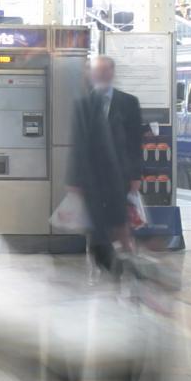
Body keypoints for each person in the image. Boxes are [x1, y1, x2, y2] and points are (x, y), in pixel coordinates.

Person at [67, 55, 145, 275]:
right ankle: (107, 263)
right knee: (97, 224)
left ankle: (128, 262)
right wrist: (74, 179)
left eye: (104, 71)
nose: (100, 75)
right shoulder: (82, 104)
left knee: (120, 221)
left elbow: (135, 142)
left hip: (119, 175)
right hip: (91, 176)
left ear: (112, 73)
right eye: (96, 71)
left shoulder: (129, 103)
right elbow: (78, 143)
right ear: (90, 75)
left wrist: (136, 175)